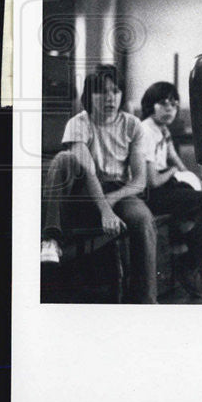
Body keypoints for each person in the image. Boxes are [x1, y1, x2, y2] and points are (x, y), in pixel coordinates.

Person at [40, 65, 158, 304]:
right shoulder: (78, 123)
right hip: (84, 188)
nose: (110, 97)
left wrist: (113, 200)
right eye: (101, 92)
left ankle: (146, 302)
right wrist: (105, 210)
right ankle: (50, 238)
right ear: (89, 96)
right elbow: (88, 170)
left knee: (143, 220)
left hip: (120, 189)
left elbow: (139, 181)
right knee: (64, 158)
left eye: (115, 91)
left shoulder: (133, 125)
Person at [139, 81, 202, 299]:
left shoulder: (163, 130)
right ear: (151, 105)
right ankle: (189, 264)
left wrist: (201, 185)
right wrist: (173, 173)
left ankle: (198, 265)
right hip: (152, 194)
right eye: (163, 103)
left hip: (169, 186)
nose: (171, 108)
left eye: (174, 103)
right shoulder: (146, 131)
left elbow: (178, 163)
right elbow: (151, 180)